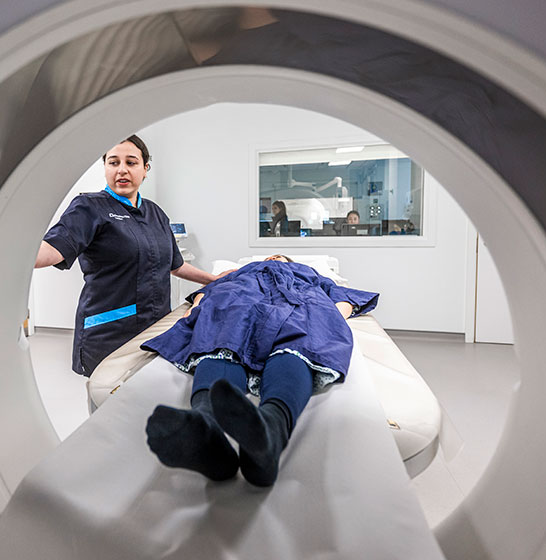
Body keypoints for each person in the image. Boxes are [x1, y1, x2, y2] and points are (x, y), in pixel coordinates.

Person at [141, 255, 379, 486]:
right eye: (271, 256)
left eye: (280, 257)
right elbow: (210, 291)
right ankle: (205, 425)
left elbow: (341, 297)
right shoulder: (243, 271)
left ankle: (271, 429)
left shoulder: (309, 273)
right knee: (224, 334)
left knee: (298, 340)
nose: (274, 258)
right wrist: (196, 307)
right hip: (240, 298)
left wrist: (328, 318)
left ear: (290, 263)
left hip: (301, 301)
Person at [35, 135, 224, 376]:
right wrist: (11, 255)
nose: (122, 170)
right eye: (113, 162)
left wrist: (215, 280)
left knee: (146, 397)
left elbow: (175, 266)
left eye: (131, 162)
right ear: (104, 168)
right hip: (109, 331)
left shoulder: (156, 213)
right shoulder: (89, 207)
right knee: (108, 402)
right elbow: (51, 250)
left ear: (145, 169)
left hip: (155, 326)